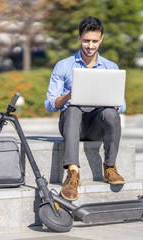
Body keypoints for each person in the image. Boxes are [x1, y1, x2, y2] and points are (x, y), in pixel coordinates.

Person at [44, 16, 126, 201]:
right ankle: (73, 175)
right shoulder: (63, 66)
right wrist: (69, 96)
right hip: (73, 124)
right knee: (72, 109)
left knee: (111, 113)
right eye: (87, 40)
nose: (90, 45)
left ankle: (110, 167)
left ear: (101, 39)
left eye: (95, 41)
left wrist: (111, 101)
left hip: (97, 125)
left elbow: (123, 105)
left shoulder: (111, 67)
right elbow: (49, 104)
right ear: (79, 37)